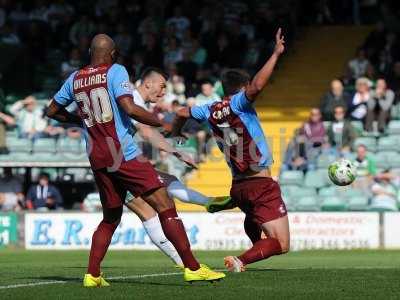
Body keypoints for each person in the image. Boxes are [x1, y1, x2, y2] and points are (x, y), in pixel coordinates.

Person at [46, 34, 225, 287]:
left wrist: (80, 120)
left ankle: (93, 275)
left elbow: (51, 111)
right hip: (122, 152)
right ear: (112, 53)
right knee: (165, 205)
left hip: (97, 156)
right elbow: (129, 108)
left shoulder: (74, 79)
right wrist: (163, 122)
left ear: (90, 52)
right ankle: (193, 268)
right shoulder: (115, 70)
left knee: (110, 218)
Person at [172, 28, 289, 272]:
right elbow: (257, 85)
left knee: (252, 217)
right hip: (260, 183)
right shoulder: (239, 102)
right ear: (241, 88)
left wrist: (177, 135)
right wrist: (276, 54)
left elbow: (181, 112)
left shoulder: (209, 108)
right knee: (281, 244)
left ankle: (253, 246)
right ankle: (241, 260)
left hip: (238, 187)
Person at [125, 67, 233, 267]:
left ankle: (208, 204)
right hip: (118, 165)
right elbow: (146, 132)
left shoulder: (135, 100)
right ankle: (185, 262)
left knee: (168, 185)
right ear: (148, 83)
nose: (164, 92)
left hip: (117, 162)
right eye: (162, 86)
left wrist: (174, 138)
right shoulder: (132, 100)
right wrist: (177, 152)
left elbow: (150, 130)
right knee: (149, 213)